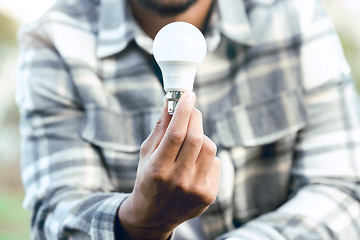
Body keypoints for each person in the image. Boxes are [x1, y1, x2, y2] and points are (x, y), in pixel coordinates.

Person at [16, 0, 360, 239]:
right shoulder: (55, 37)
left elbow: (344, 190)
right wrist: (137, 221)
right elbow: (55, 213)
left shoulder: (294, 16)